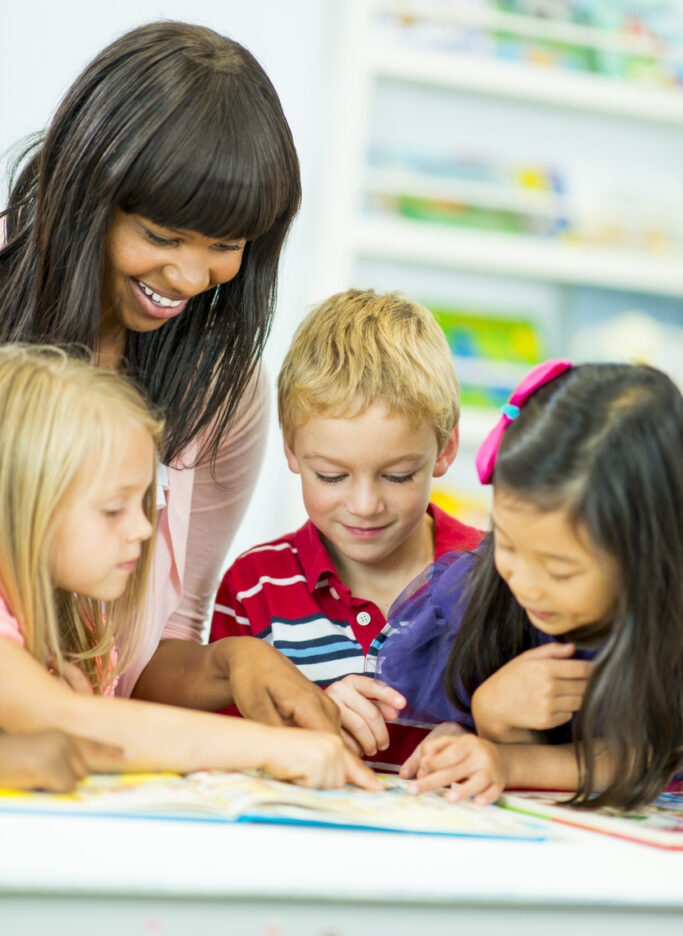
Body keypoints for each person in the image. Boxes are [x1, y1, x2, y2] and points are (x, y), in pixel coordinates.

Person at [0, 20, 338, 732]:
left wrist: (230, 663)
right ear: (86, 191)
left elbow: (153, 650)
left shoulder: (221, 392)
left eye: (225, 245)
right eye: (158, 235)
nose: (188, 276)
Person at [0, 345, 377, 789]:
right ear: (22, 506)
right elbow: (72, 719)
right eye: (112, 509)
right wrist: (269, 746)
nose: (143, 529)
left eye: (143, 504)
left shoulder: (82, 617)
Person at [377, 360, 683, 810]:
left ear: (651, 552)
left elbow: (646, 758)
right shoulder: (476, 603)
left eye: (560, 570)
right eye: (507, 543)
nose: (526, 585)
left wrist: (509, 759)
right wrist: (486, 720)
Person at [208, 289, 484, 769]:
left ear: (444, 450)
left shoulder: (495, 579)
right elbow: (221, 750)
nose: (365, 506)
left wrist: (492, 740)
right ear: (292, 450)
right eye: (332, 476)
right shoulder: (255, 586)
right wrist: (304, 725)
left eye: (397, 475)